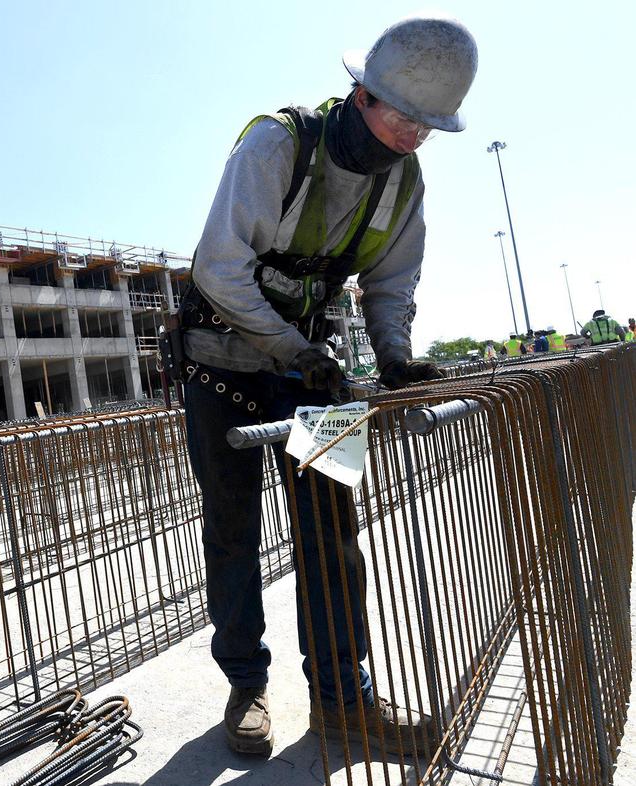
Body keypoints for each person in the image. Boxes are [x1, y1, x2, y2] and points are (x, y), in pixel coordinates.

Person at [177, 13, 477, 758]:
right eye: (403, 117)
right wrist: (285, 346)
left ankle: (346, 701)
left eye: (428, 125)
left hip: (319, 368)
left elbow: (391, 280)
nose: (413, 135)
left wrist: (396, 353)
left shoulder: (404, 181)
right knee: (233, 533)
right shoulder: (278, 143)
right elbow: (218, 268)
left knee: (333, 537)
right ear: (362, 94)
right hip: (221, 364)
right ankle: (246, 686)